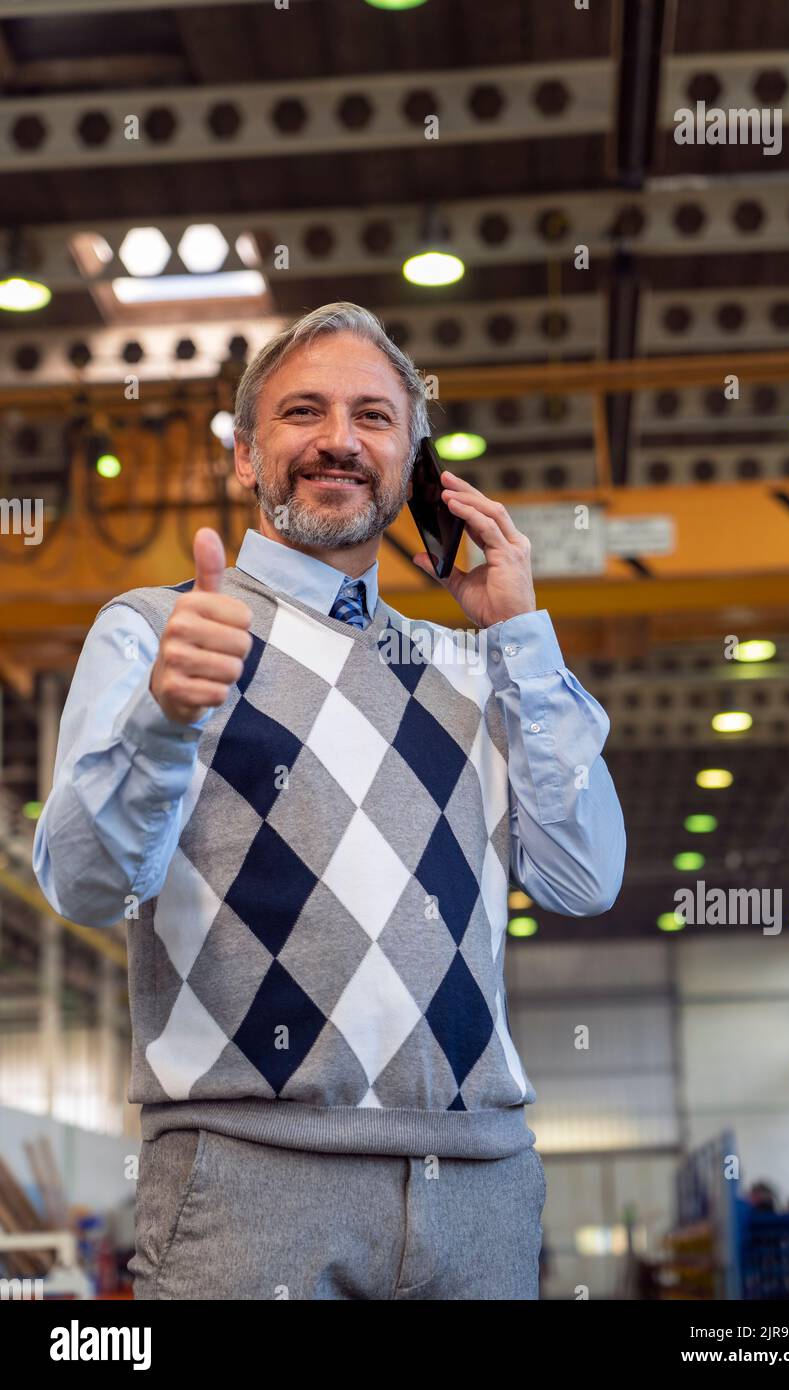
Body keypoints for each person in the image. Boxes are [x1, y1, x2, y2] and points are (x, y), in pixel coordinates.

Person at [34, 302, 626, 1300]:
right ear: (244, 456)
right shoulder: (161, 631)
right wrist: (164, 717)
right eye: (302, 411)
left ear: (414, 464)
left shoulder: (473, 666)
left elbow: (583, 876)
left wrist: (522, 634)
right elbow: (88, 885)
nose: (339, 440)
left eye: (374, 417)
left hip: (479, 1183)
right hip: (250, 1181)